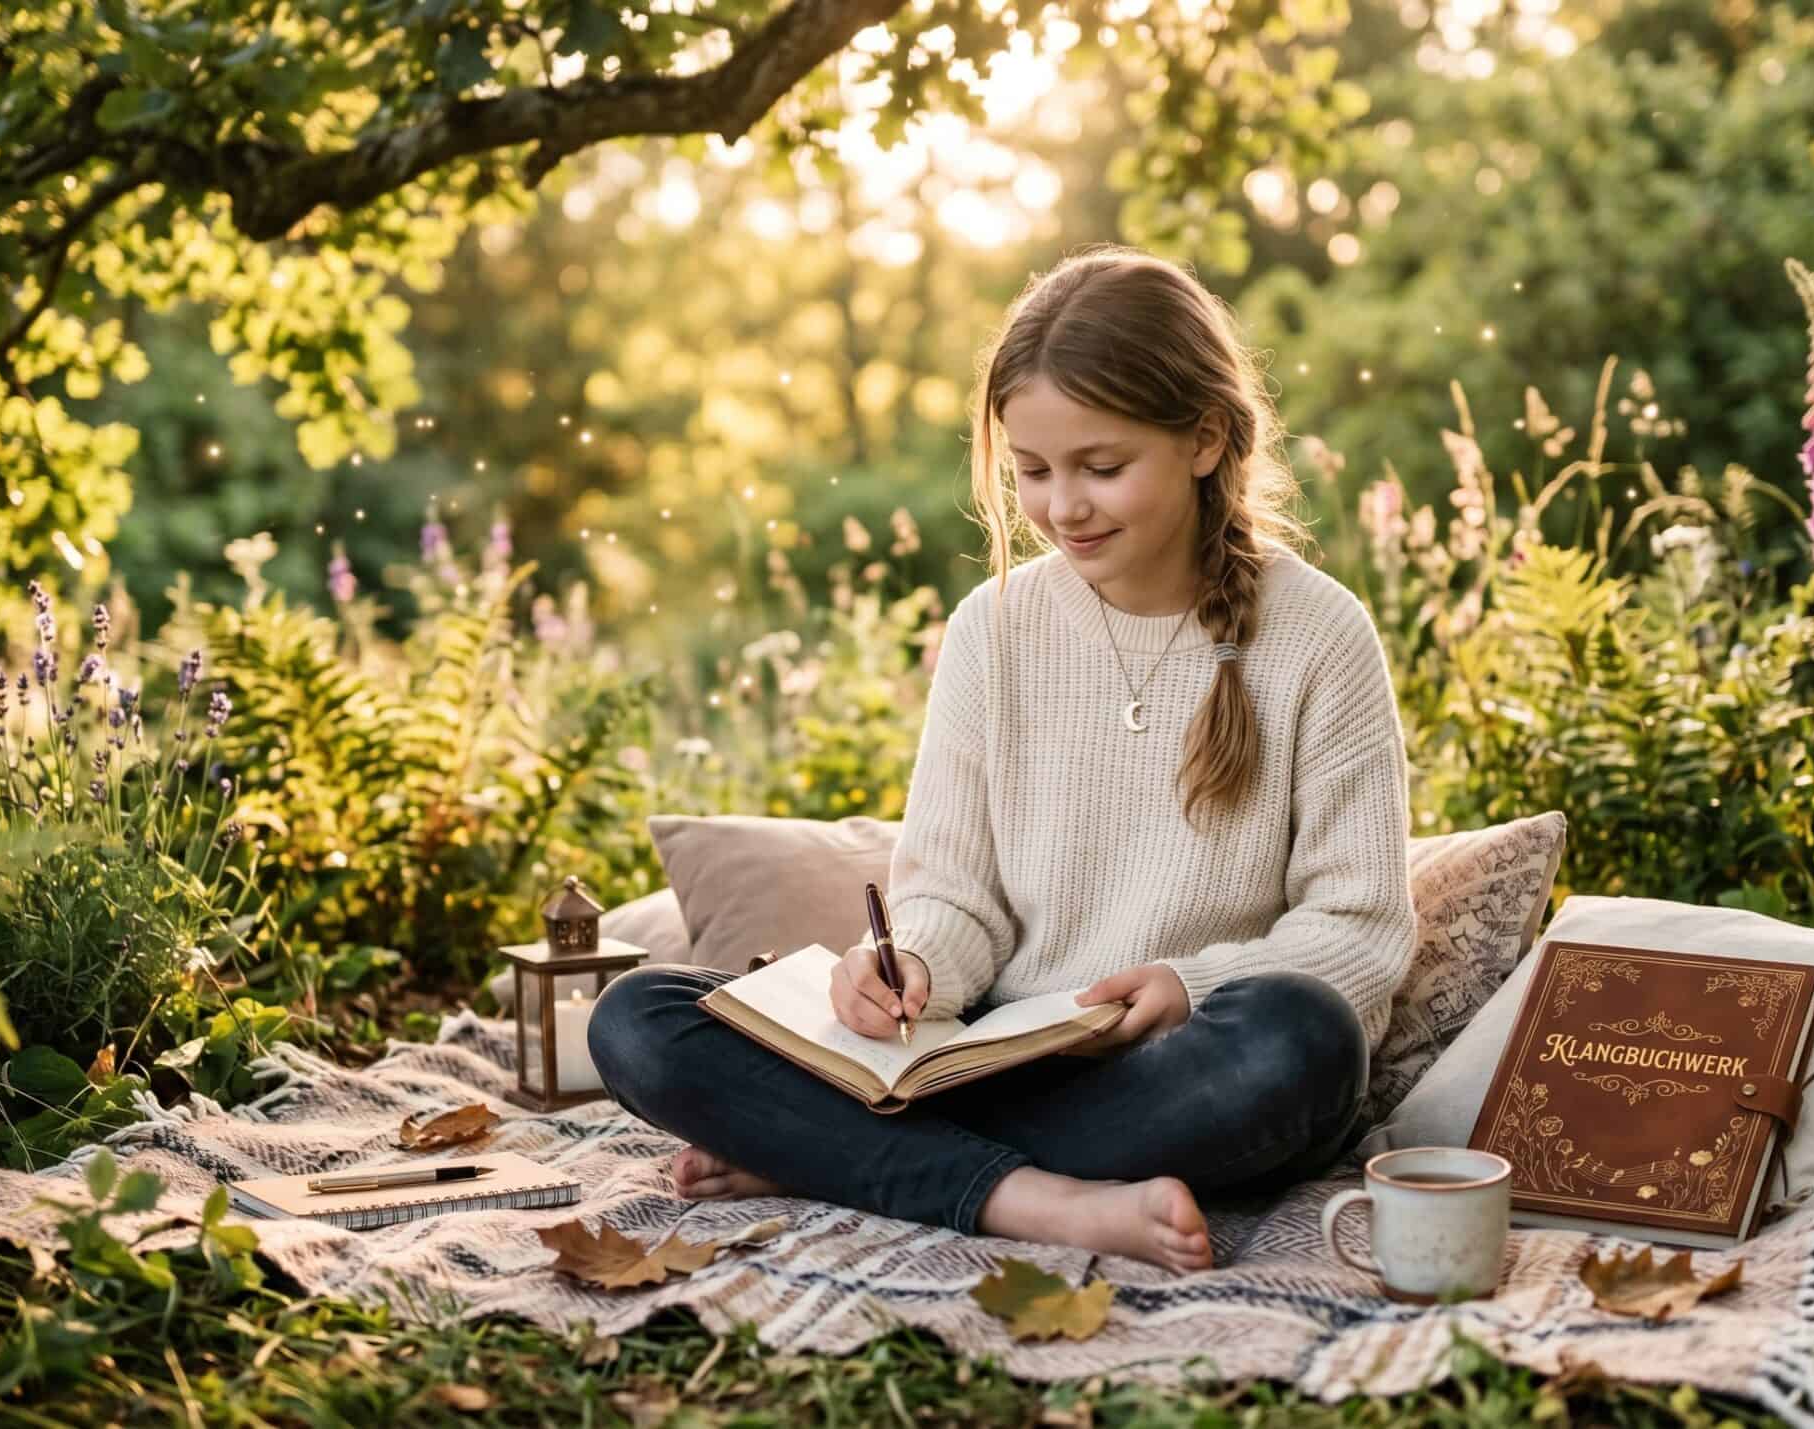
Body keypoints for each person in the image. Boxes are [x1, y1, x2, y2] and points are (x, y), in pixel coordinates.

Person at [588, 245, 1416, 1273]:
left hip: (1180, 1079)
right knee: (638, 1017)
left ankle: (837, 1159)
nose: (1063, 506)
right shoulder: (997, 628)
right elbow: (954, 894)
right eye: (1032, 471)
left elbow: (1362, 928)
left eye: (1101, 467)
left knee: (1302, 1036)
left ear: (1204, 439)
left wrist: (1193, 982)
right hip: (994, 1064)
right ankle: (1037, 1200)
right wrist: (913, 967)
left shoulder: (1319, 633)